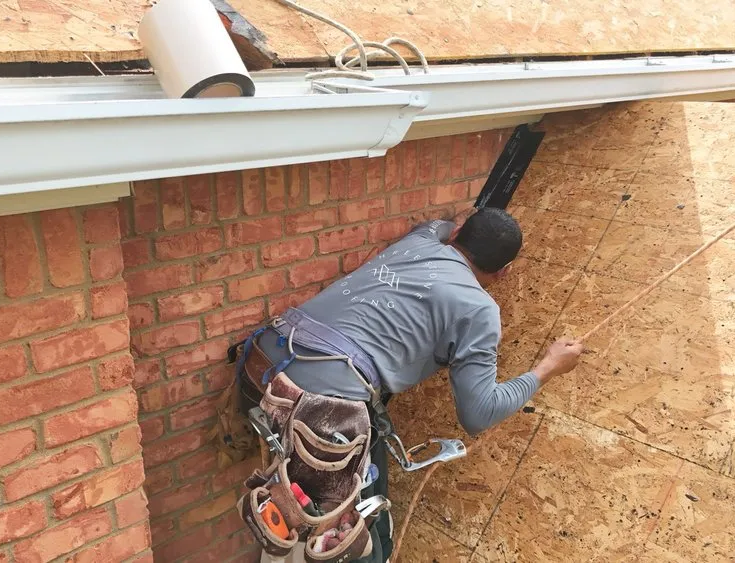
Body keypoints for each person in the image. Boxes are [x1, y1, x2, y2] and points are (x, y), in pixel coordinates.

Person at [241, 207, 585, 562]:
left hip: (262, 362)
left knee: (328, 501)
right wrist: (548, 368)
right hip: (323, 412)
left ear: (457, 234)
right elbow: (479, 414)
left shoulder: (423, 239)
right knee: (355, 545)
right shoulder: (479, 310)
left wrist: (459, 225)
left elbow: (438, 226)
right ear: (503, 272)